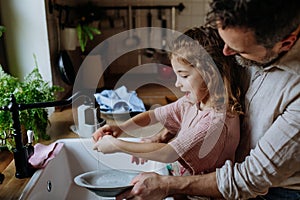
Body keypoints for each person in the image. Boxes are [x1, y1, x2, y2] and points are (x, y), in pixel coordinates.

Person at [113, 0, 300, 199]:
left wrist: (167, 185)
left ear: (285, 43)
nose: (226, 52)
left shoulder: (295, 89)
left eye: (238, 49)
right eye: (224, 40)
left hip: (273, 191)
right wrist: (167, 131)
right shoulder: (247, 42)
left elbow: (249, 178)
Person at [93, 27, 243, 181]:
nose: (177, 83)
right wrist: (121, 128)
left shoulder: (215, 122)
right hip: (182, 182)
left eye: (183, 75)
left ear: (210, 74)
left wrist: (117, 145)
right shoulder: (194, 102)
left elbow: (169, 153)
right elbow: (154, 115)